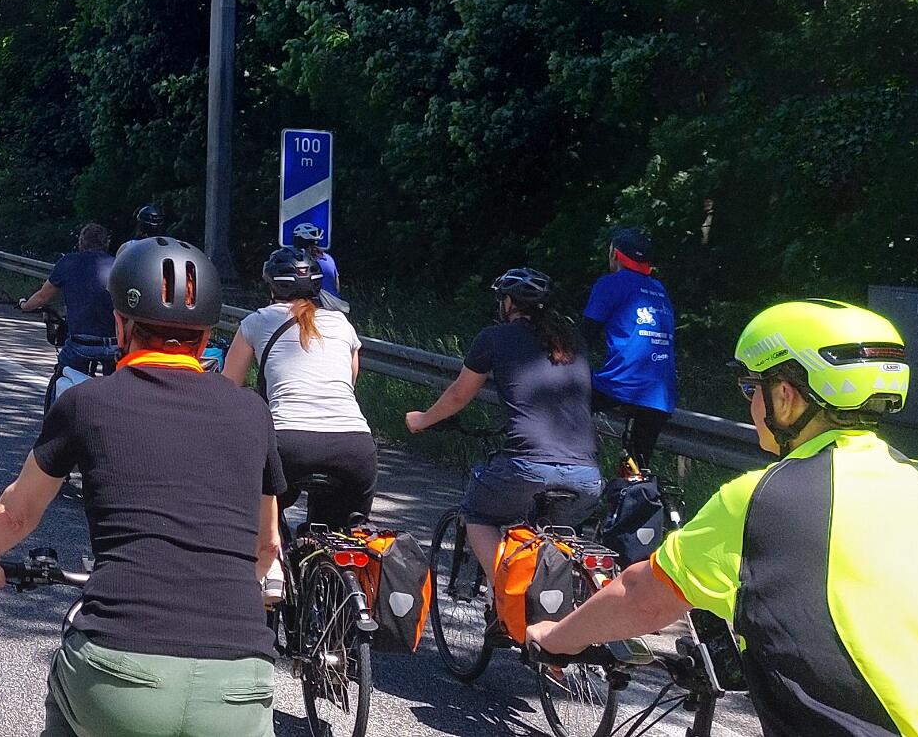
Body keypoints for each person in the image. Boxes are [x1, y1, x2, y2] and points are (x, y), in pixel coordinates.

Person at [533, 300, 918, 737]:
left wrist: (557, 638)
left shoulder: (765, 500)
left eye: (751, 388)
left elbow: (642, 599)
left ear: (785, 395)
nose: (751, 403)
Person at [0, 237, 285, 737]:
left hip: (120, 669)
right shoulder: (253, 412)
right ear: (207, 337)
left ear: (120, 325)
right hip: (239, 682)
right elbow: (267, 546)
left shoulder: (88, 403)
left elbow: (15, 514)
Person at [405, 267, 600, 579]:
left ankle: (504, 592)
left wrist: (422, 420)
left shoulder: (494, 337)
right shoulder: (572, 341)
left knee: (477, 514)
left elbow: (458, 395)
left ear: (508, 303)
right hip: (587, 475)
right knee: (550, 545)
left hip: (528, 466)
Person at [222, 247, 375, 535]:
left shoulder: (257, 321)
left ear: (271, 286)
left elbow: (227, 391)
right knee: (346, 536)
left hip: (290, 444)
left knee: (261, 524)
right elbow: (351, 381)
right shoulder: (342, 324)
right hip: (355, 447)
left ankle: (274, 559)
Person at [583, 226, 675, 466]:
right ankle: (637, 484)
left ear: (614, 254)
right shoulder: (659, 289)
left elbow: (584, 337)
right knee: (637, 467)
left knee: (562, 405)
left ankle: (575, 466)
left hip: (621, 383)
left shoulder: (610, 284)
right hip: (660, 393)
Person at [19, 223, 117, 398]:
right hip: (113, 345)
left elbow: (43, 296)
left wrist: (25, 306)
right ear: (106, 243)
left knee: (62, 381)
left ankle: (55, 412)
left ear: (81, 242)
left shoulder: (69, 262)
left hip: (80, 344)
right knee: (117, 388)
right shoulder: (117, 265)